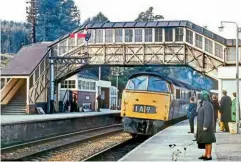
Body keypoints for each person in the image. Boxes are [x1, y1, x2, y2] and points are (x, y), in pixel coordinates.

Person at [197, 91, 216, 161]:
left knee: (208, 141)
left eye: (201, 95)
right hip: (202, 126)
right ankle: (205, 154)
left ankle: (209, 155)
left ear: (204, 96)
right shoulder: (204, 104)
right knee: (205, 141)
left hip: (206, 127)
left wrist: (206, 125)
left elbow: (208, 116)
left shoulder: (208, 104)